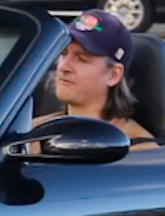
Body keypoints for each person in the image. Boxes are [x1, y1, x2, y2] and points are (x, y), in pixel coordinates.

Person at [30, 9, 157, 149]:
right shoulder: (31, 132)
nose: (63, 67)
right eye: (63, 53)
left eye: (81, 59)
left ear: (113, 75)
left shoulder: (139, 151)